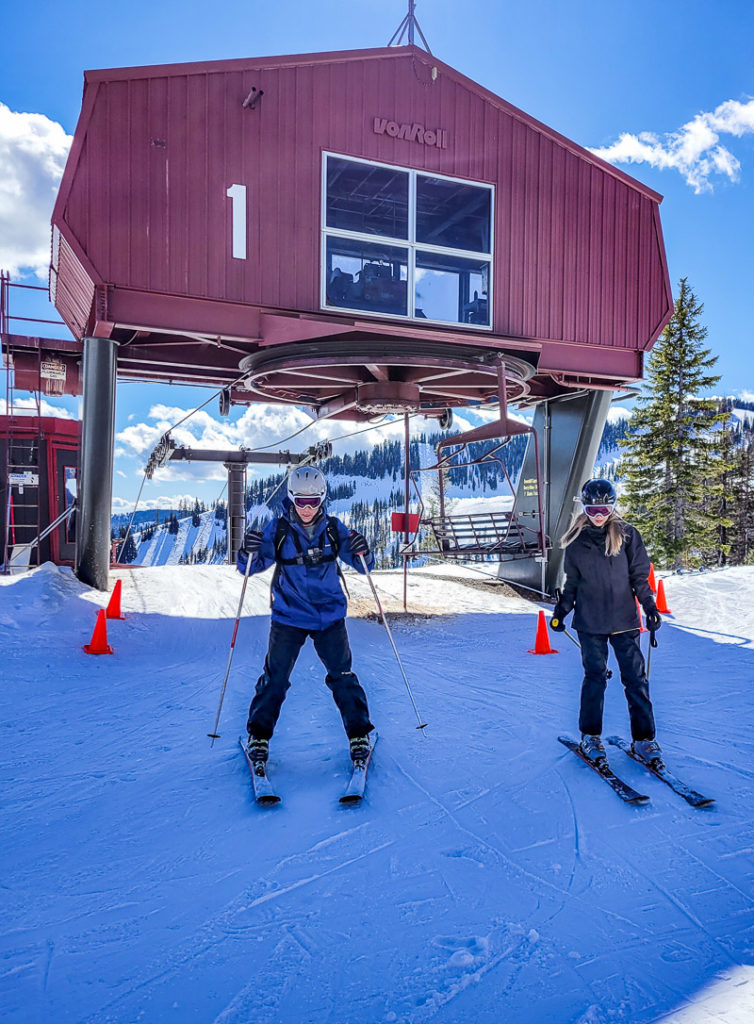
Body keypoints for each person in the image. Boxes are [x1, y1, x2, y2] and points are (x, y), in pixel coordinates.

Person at [237, 466, 375, 771]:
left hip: (329, 617)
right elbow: (249, 568)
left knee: (342, 677)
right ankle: (259, 736)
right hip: (289, 615)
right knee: (276, 679)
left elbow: (363, 566)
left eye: (313, 501)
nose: (308, 508)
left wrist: (364, 551)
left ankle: (359, 736)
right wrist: (246, 552)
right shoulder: (278, 530)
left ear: (322, 498)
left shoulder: (334, 529)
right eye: (301, 501)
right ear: (291, 499)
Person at [550, 478, 664, 766]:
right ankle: (590, 736)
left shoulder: (628, 535)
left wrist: (650, 608)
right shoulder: (576, 542)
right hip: (590, 623)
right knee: (595, 679)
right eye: (593, 508)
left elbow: (640, 578)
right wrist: (561, 612)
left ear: (612, 506)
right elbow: (572, 583)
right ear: (585, 507)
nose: (599, 514)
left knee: (636, 680)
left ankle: (644, 740)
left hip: (625, 620)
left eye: (604, 508)